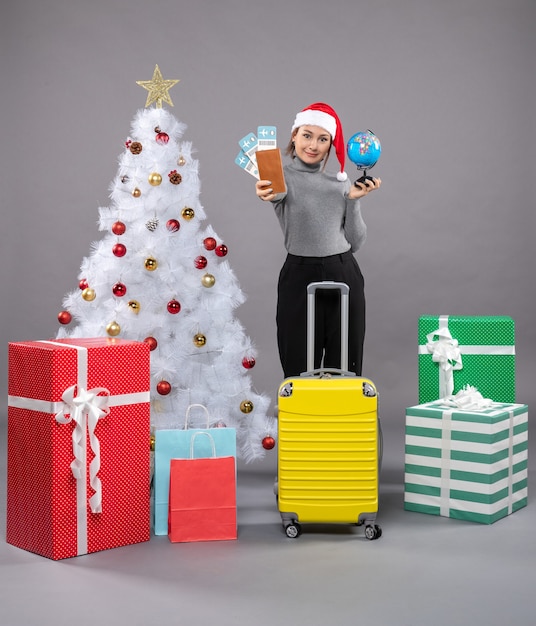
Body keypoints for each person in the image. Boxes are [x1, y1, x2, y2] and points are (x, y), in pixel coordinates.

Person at [255, 102, 381, 378]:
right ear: (294, 136)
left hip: (343, 271)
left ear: (330, 145)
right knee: (298, 360)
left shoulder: (341, 183)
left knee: (345, 362)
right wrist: (265, 190)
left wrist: (353, 201)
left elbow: (356, 242)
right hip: (298, 275)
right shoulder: (280, 176)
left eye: (322, 139)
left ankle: (342, 418)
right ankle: (303, 418)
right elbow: (271, 192)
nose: (313, 145)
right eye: (307, 135)